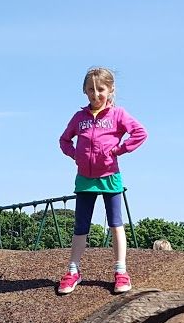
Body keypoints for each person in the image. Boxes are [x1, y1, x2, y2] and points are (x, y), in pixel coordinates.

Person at [56, 66, 148, 295]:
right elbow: (64, 140)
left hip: (109, 176)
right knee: (81, 226)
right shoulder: (79, 118)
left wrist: (119, 150)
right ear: (84, 91)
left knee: (116, 224)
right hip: (85, 179)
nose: (96, 94)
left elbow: (140, 133)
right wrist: (75, 154)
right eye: (91, 89)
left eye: (101, 89)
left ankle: (120, 271)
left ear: (111, 90)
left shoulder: (118, 115)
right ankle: (73, 270)